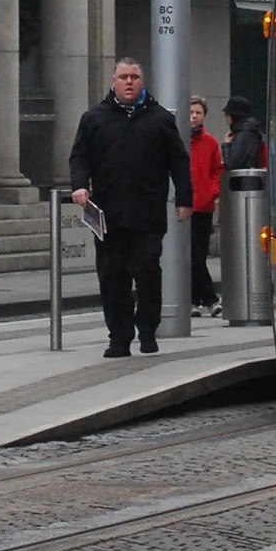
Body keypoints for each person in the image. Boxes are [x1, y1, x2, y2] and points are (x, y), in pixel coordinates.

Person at [67, 56, 192, 359]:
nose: (129, 82)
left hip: (147, 213)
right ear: (113, 81)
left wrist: (185, 200)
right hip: (108, 215)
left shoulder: (160, 118)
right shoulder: (94, 118)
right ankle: (119, 337)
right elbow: (79, 156)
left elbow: (178, 160)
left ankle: (147, 328)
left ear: (142, 81)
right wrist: (80, 185)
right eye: (123, 77)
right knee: (112, 277)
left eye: (134, 77)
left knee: (147, 269)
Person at [185, 97, 223, 317]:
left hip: (203, 205)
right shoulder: (179, 140)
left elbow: (216, 170)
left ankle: (201, 299)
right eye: (191, 112)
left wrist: (212, 191)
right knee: (190, 256)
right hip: (183, 205)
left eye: (198, 113)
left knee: (197, 255)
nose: (194, 116)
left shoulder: (210, 143)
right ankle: (206, 298)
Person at [222, 95, 267, 177]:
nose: (225, 117)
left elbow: (231, 165)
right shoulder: (250, 131)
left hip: (244, 183)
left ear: (233, 116)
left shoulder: (244, 134)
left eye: (227, 114)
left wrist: (226, 145)